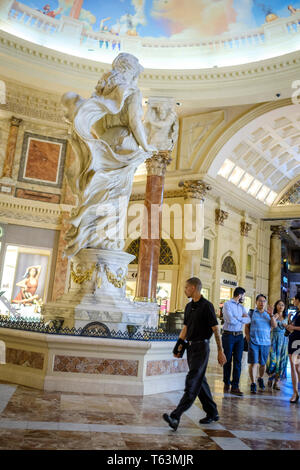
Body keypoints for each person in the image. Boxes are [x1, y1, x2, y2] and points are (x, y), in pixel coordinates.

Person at [162, 277, 227, 431]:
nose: (185, 290)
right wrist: (178, 347)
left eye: (186, 287)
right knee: (200, 382)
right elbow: (185, 328)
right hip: (191, 349)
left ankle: (175, 416)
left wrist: (220, 350)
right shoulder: (188, 306)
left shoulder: (207, 306)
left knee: (192, 381)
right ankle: (212, 412)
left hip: (202, 349)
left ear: (193, 288)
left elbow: (215, 330)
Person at [245, 294, 277, 394]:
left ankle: (260, 378)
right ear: (256, 302)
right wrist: (248, 339)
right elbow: (247, 327)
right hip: (253, 342)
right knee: (253, 363)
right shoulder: (251, 313)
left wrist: (271, 315)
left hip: (265, 343)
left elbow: (274, 325)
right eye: (259, 301)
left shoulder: (268, 314)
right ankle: (253, 383)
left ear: (266, 303)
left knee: (262, 364)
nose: (261, 303)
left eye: (263, 301)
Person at [222, 287, 250, 396]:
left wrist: (238, 318)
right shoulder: (227, 304)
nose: (244, 298)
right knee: (227, 360)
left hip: (239, 336)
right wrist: (241, 319)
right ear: (239, 295)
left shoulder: (242, 307)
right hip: (228, 335)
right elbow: (230, 320)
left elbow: (248, 319)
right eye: (244, 296)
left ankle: (235, 386)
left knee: (238, 361)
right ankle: (226, 382)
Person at [266, 300, 289, 390]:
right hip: (274, 340)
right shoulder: (274, 316)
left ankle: (276, 382)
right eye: (279, 304)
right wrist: (273, 317)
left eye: (283, 305)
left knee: (282, 361)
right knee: (273, 360)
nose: (281, 306)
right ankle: (270, 378)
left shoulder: (287, 317)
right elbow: (272, 327)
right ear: (276, 306)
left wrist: (287, 326)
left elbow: (289, 329)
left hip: (284, 341)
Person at [284, 294, 300, 403]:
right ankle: (295, 392)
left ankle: (296, 393)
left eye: (294, 299)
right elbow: (293, 327)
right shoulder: (297, 313)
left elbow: (295, 327)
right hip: (293, 341)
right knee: (294, 368)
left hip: (298, 342)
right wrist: (289, 321)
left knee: (297, 368)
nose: (293, 301)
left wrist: (292, 327)